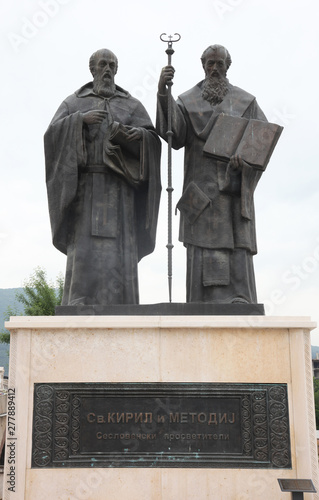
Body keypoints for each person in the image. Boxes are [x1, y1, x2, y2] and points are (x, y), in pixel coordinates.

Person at [45, 49, 161, 306]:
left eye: (112, 65)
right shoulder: (73, 103)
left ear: (117, 70)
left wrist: (127, 135)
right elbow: (51, 137)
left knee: (119, 252)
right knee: (85, 251)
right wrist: (79, 121)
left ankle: (123, 302)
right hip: (86, 191)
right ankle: (80, 301)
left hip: (121, 192)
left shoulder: (132, 105)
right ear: (92, 69)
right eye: (102, 65)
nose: (107, 70)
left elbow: (152, 140)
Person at [157, 44, 268, 304]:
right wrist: (163, 92)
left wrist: (246, 163)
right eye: (210, 63)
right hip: (201, 190)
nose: (215, 68)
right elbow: (175, 135)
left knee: (235, 243)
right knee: (201, 244)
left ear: (228, 65)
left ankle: (239, 298)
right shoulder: (187, 100)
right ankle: (201, 301)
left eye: (220, 63)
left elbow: (262, 142)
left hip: (232, 190)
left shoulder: (245, 101)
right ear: (202, 64)